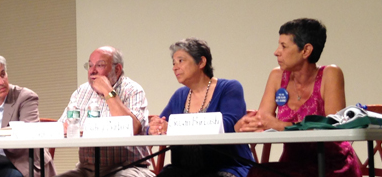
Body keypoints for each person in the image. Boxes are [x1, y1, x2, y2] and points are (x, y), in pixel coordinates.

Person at [235, 18, 361, 177]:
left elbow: (333, 129)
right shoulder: (277, 76)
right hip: (294, 163)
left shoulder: (330, 74)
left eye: (284, 46)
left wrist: (281, 125)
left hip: (331, 164)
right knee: (257, 172)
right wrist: (247, 124)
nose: (276, 51)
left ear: (306, 50)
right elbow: (263, 119)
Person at [149, 38, 253, 177]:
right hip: (183, 169)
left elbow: (229, 125)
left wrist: (173, 127)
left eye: (181, 61)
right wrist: (154, 127)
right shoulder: (180, 95)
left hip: (225, 167)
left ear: (201, 62)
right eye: (173, 63)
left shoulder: (229, 88)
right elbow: (162, 124)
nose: (175, 67)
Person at [57, 46, 153, 177]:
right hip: (86, 169)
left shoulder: (133, 90)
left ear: (117, 69)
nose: (92, 71)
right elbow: (62, 128)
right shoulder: (81, 91)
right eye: (90, 66)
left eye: (100, 65)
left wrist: (108, 91)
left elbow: (132, 128)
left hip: (128, 167)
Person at [0, 55, 56, 177]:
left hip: (23, 164)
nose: (1, 82)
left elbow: (29, 131)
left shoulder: (25, 97)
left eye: (3, 74)